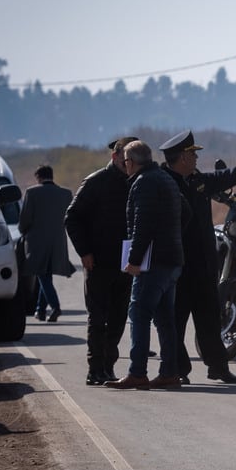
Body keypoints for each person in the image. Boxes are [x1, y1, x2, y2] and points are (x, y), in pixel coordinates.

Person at [161, 130, 236, 383]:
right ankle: (177, 370)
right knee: (175, 321)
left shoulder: (197, 180)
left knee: (209, 318)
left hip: (204, 264)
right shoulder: (162, 182)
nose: (196, 159)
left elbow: (224, 176)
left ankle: (218, 367)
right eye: (193, 154)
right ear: (182, 157)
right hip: (177, 265)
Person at [106, 141, 187, 389]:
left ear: (131, 162)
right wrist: (171, 235)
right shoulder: (165, 178)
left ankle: (137, 372)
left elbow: (142, 225)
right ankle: (169, 372)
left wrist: (133, 260)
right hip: (172, 259)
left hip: (154, 263)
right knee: (165, 320)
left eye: (125, 162)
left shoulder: (144, 183)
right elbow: (187, 213)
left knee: (139, 314)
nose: (124, 166)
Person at [65, 137, 138, 385]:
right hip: (98, 262)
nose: (129, 162)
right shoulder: (96, 182)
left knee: (118, 318)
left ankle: (107, 366)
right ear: (115, 156)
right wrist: (84, 251)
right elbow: (72, 217)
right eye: (126, 157)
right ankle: (94, 368)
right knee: (98, 319)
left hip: (126, 263)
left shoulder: (136, 182)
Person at [18, 165, 75, 322]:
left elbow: (25, 219)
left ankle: (55, 306)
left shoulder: (32, 193)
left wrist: (22, 231)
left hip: (36, 241)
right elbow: (70, 218)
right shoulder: (65, 194)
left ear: (39, 177)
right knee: (46, 275)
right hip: (58, 241)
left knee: (42, 275)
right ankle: (40, 310)